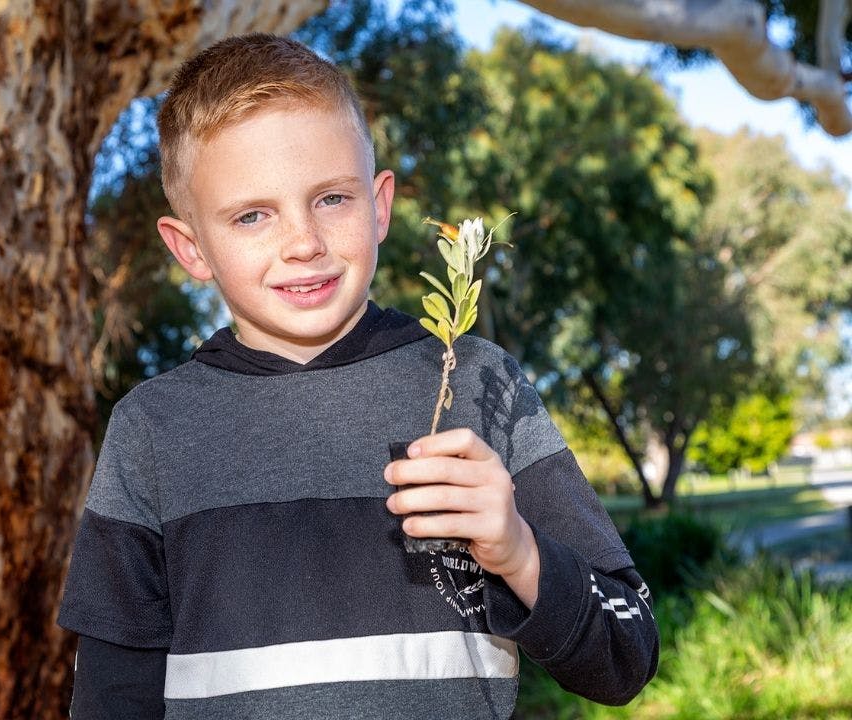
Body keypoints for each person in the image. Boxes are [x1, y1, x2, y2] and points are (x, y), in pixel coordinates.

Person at [58, 33, 659, 719]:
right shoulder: (150, 430)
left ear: (379, 207)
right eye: (253, 215)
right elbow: (111, 698)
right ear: (191, 248)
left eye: (331, 200)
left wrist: (520, 552)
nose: (303, 242)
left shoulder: (478, 386)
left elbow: (627, 652)